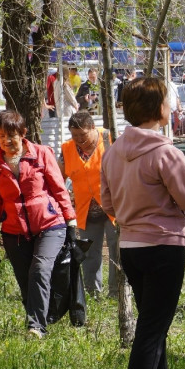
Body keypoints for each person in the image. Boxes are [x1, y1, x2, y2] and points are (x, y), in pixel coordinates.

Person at [100, 76, 185, 369]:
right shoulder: (165, 152)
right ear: (157, 109)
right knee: (152, 328)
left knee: (153, 324)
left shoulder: (114, 151)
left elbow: (107, 202)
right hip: (164, 248)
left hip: (131, 248)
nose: (170, 105)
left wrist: (133, 217)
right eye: (167, 99)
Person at [0, 110, 78, 338]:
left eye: (11, 136)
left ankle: (36, 327)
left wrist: (71, 224)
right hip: (14, 231)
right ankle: (42, 317)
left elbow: (59, 189)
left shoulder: (42, 154)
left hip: (50, 224)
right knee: (26, 279)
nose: (7, 141)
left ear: (23, 133)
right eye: (1, 136)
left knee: (40, 269)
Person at [60, 111, 118, 298]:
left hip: (113, 208)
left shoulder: (110, 140)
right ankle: (93, 293)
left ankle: (116, 293)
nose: (78, 139)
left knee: (117, 250)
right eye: (74, 135)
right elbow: (60, 179)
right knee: (89, 253)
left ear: (93, 128)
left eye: (82, 135)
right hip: (85, 211)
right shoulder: (67, 149)